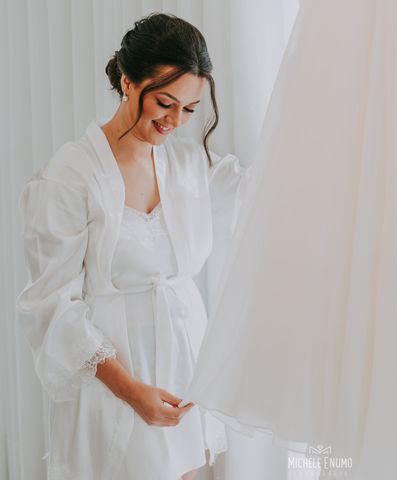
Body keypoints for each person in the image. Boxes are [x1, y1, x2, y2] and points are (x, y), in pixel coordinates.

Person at [15, 12, 249, 480]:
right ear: (127, 82)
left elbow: (258, 196)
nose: (175, 121)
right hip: (115, 379)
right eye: (165, 103)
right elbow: (52, 305)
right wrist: (129, 389)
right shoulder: (70, 175)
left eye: (189, 108)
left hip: (183, 369)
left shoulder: (188, 162)